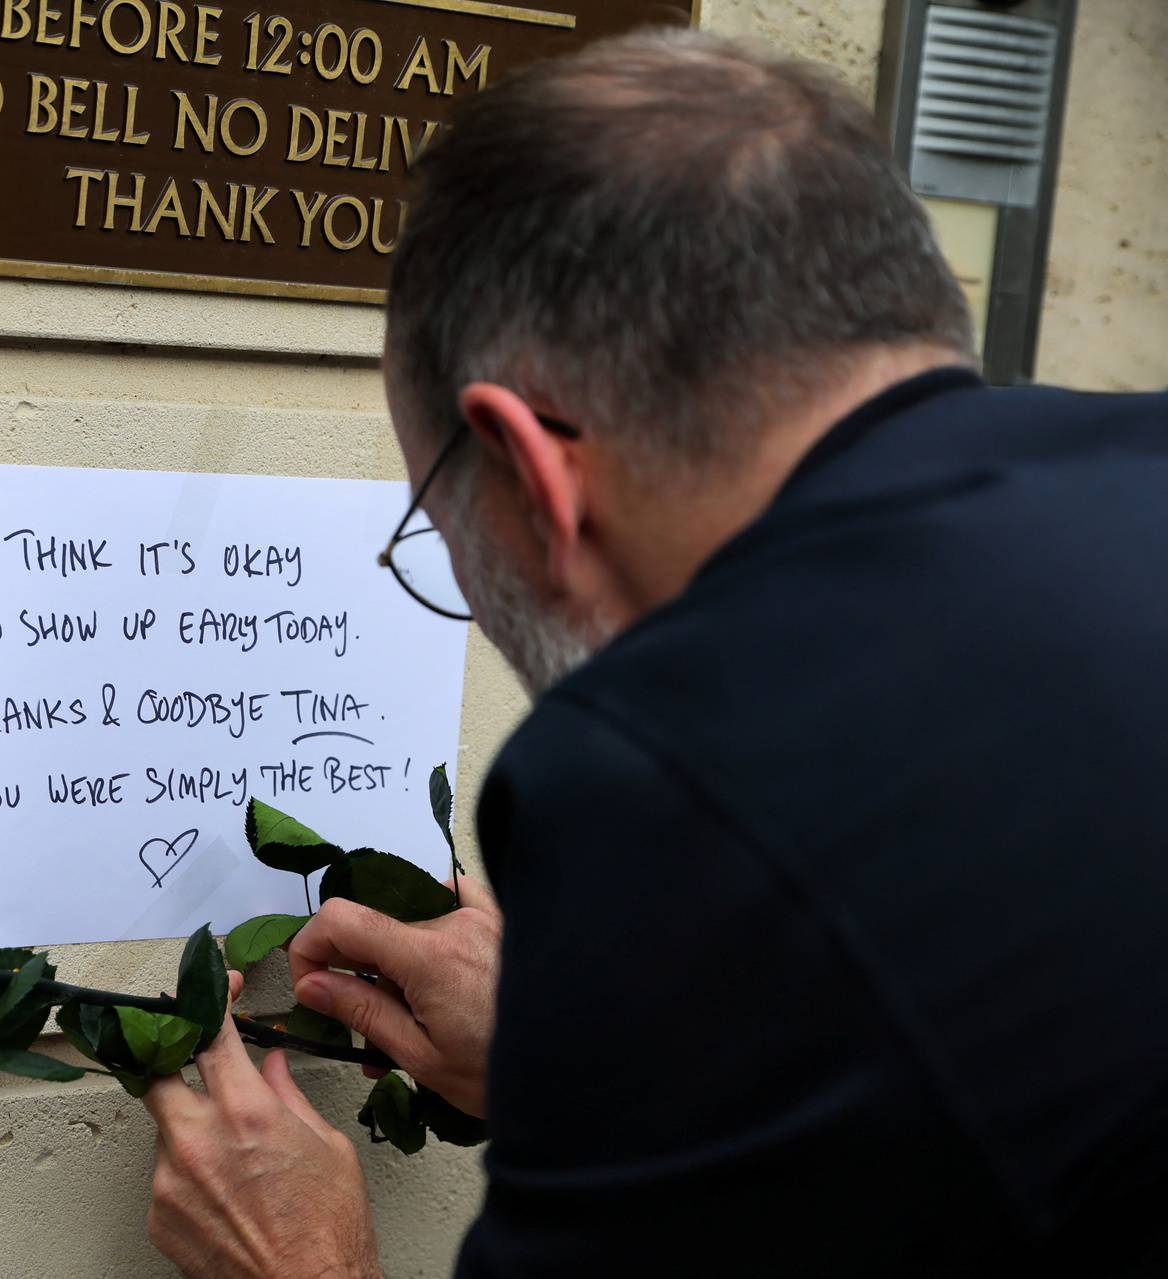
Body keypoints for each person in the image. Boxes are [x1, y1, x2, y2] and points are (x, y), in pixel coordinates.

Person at [139, 26, 1168, 1278]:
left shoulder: (670, 779)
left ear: (527, 465)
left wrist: (305, 1265)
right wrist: (598, 1054)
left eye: (435, 524)